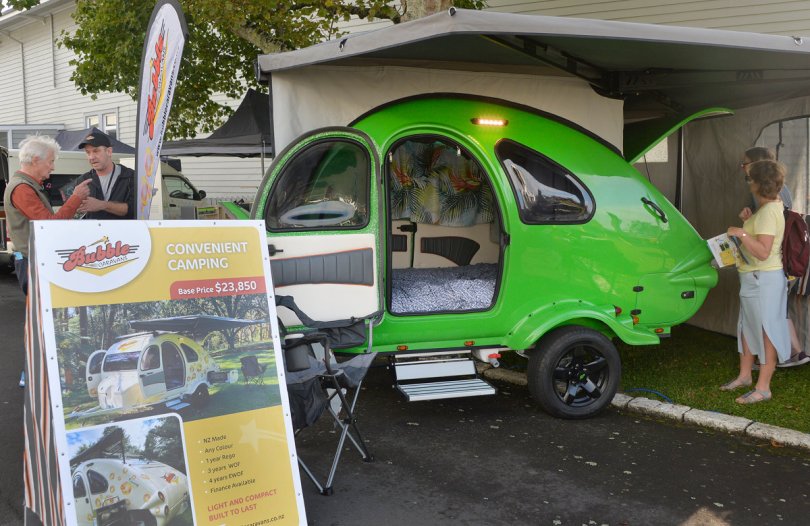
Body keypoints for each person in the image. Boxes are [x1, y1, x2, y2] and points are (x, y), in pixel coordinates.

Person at [3, 135, 91, 388]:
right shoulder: (22, 188)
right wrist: (75, 198)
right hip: (31, 261)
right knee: (40, 318)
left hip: (33, 259)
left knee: (43, 317)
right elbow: (50, 224)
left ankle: (35, 372)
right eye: (50, 161)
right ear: (35, 160)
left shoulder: (26, 186)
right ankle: (31, 374)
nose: (53, 167)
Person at [721, 159, 792, 404]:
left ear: (759, 184)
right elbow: (760, 238)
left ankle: (763, 388)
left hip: (764, 279)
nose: (748, 182)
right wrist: (748, 222)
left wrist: (741, 233)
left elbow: (762, 252)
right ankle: (744, 377)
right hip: (755, 278)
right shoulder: (768, 208)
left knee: (766, 331)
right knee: (747, 326)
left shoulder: (770, 211)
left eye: (749, 178)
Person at [739, 147, 809, 368]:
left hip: (771, 265)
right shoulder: (777, 192)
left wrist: (742, 233)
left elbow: (766, 241)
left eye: (745, 163)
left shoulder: (768, 198)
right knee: (777, 311)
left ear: (757, 165)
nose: (743, 168)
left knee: (770, 315)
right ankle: (792, 353)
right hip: (776, 262)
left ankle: (781, 357)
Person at [75, 130, 135, 219]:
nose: (91, 157)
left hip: (123, 228)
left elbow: (134, 209)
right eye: (88, 152)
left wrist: (102, 205)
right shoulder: (83, 180)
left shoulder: (130, 177)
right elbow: (75, 215)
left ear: (109, 151)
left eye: (96, 151)